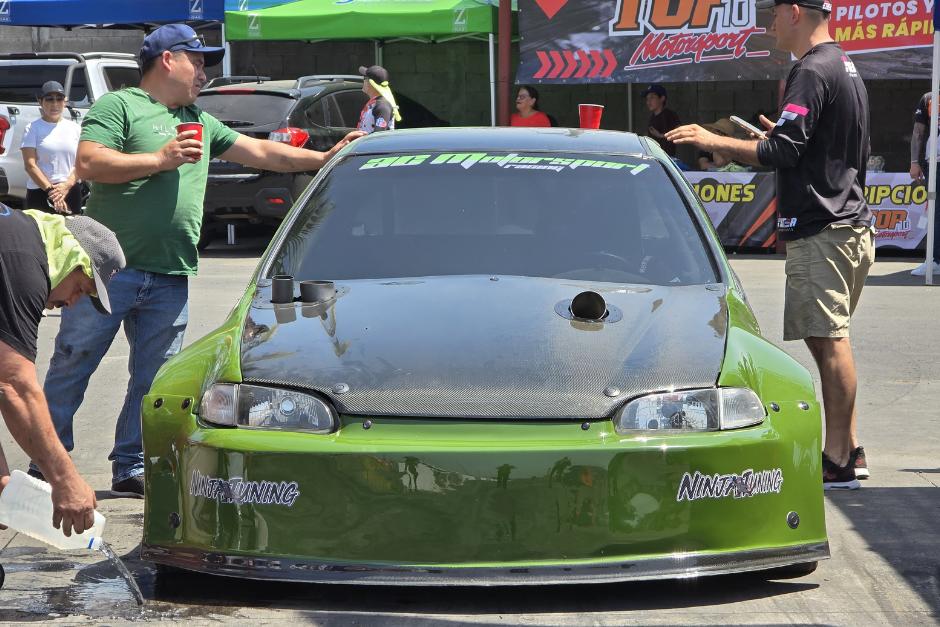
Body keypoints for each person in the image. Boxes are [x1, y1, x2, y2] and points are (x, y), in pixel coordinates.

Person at [31, 23, 364, 498]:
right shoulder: (120, 105)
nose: (205, 72)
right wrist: (160, 160)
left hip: (172, 270)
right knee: (73, 364)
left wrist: (323, 158)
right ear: (168, 60)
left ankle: (130, 465)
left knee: (154, 379)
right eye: (198, 61)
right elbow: (89, 163)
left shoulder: (199, 118)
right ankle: (47, 467)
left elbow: (261, 150)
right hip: (106, 274)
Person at [665, 0, 874, 490]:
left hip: (825, 226)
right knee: (832, 340)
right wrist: (771, 136)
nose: (768, 23)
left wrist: (712, 139)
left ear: (796, 12)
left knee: (828, 342)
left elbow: (784, 150)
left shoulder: (810, 70)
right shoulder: (843, 65)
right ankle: (850, 448)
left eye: (773, 12)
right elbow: (811, 145)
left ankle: (839, 458)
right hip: (847, 223)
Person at [0, 203, 125, 536]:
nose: (71, 303)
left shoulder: (19, 238)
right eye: (82, 289)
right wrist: (65, 479)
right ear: (75, 260)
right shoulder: (23, 266)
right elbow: (13, 385)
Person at [20, 81, 83, 215]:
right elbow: (30, 165)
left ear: (65, 101)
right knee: (39, 234)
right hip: (41, 191)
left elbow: (82, 162)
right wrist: (51, 192)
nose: (54, 104)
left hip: (70, 190)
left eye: (59, 99)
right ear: (40, 101)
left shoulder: (76, 129)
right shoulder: (32, 128)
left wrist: (66, 186)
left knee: (70, 233)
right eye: (49, 99)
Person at [909, 92, 940, 276]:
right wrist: (914, 162)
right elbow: (918, 131)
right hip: (935, 164)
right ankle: (935, 260)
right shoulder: (930, 98)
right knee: (935, 210)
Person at [357, 64, 400, 133]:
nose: (363, 81)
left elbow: (378, 136)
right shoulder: (375, 103)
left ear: (370, 83)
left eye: (364, 78)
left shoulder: (382, 106)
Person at [642, 84, 680, 156]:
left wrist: (660, 135)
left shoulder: (669, 114)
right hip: (653, 157)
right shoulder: (652, 117)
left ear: (662, 98)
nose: (648, 102)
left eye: (652, 97)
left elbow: (679, 133)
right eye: (647, 99)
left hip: (666, 158)